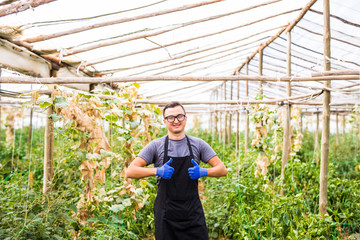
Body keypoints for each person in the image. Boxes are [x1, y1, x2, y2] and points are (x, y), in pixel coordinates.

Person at [125, 101, 227, 240]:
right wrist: (157, 171)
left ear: (185, 118)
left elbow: (222, 170)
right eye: (171, 118)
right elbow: (130, 171)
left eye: (179, 116)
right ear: (165, 121)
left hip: (192, 214)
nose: (176, 121)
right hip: (166, 214)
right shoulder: (156, 146)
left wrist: (204, 171)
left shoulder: (198, 144)